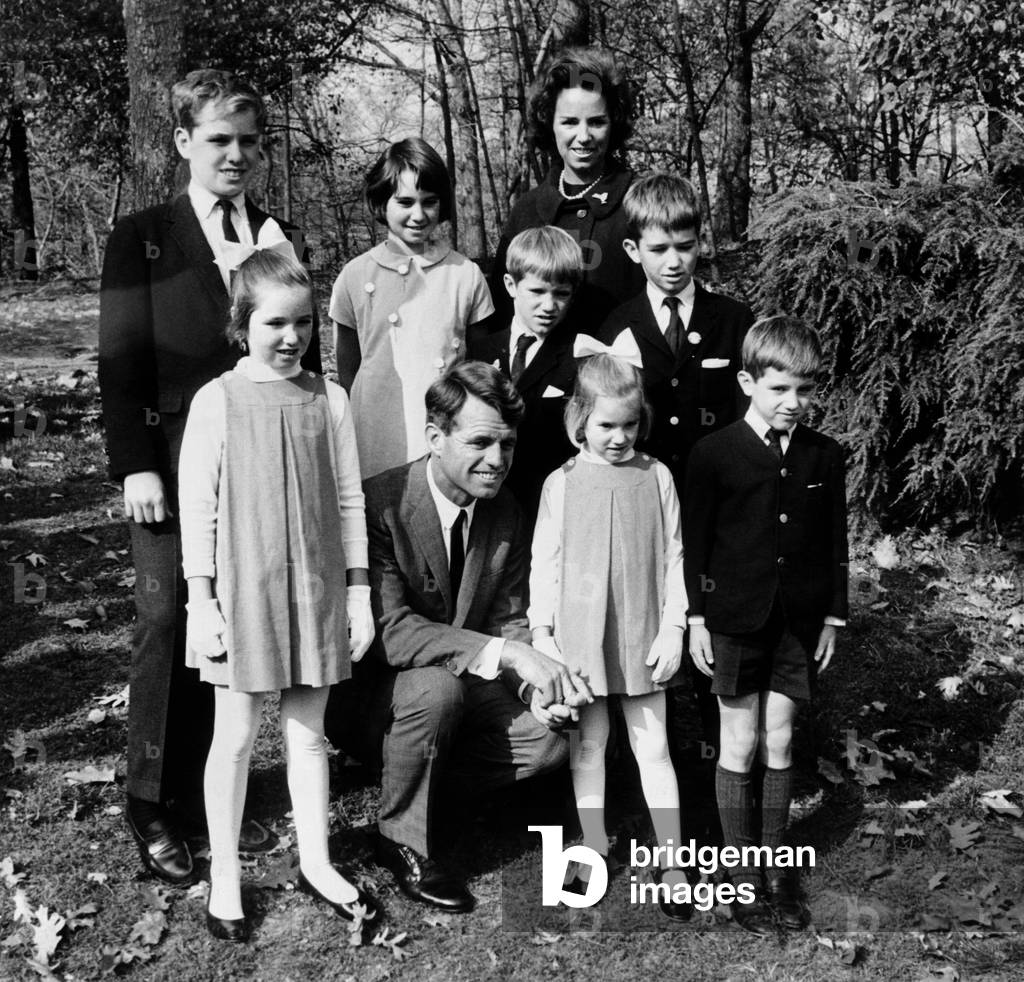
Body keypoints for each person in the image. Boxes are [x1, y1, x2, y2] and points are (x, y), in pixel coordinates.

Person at [98, 68, 318, 884]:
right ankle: (149, 799)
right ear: (184, 141)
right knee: (167, 617)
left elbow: (297, 353)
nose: (235, 155)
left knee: (223, 623)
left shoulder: (278, 235)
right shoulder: (144, 235)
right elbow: (120, 358)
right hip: (170, 460)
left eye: (248, 142)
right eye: (218, 139)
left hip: (257, 464)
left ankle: (204, 794)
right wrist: (135, 465)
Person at [326, 361, 593, 914]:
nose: (496, 460)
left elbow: (508, 617)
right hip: (374, 694)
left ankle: (422, 784)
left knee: (549, 740)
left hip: (461, 681)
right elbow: (391, 631)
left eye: (507, 444)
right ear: (435, 437)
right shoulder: (381, 504)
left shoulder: (505, 510)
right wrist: (511, 654)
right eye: (479, 442)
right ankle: (401, 838)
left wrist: (533, 692)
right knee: (435, 690)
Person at [178, 249, 377, 942]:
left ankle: (317, 861)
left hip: (316, 592)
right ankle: (226, 874)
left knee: (307, 735)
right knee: (234, 738)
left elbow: (349, 503)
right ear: (241, 325)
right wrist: (201, 601)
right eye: (274, 324)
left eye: (303, 323)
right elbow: (198, 509)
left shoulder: (330, 399)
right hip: (243, 593)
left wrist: (358, 594)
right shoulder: (217, 400)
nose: (291, 337)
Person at [684, 316, 849, 935]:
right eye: (779, 389)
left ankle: (777, 868)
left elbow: (835, 542)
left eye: (805, 390)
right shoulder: (714, 453)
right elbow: (695, 545)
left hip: (796, 625)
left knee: (779, 740)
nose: (792, 402)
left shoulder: (824, 454)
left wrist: (832, 615)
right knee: (739, 742)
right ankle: (740, 870)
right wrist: (696, 618)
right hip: (731, 620)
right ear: (748, 382)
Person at [528, 344, 693, 921]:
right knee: (589, 746)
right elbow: (545, 562)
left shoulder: (657, 476)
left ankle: (671, 858)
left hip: (643, 634)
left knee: (654, 749)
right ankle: (593, 845)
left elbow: (676, 557)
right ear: (580, 418)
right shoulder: (561, 483)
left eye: (629, 425)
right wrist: (543, 634)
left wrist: (674, 627)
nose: (619, 437)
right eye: (606, 426)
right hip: (582, 639)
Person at [329, 137, 494, 480]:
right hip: (374, 430)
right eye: (405, 202)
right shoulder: (354, 275)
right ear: (381, 202)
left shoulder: (465, 274)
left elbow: (479, 367)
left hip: (442, 426)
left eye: (429, 202)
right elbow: (349, 369)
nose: (418, 215)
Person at [597, 172, 754, 489]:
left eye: (684, 247)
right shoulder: (617, 325)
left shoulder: (734, 319)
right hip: (641, 486)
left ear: (700, 243)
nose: (673, 262)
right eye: (658, 249)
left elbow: (749, 412)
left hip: (719, 488)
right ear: (633, 249)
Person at [489, 46, 644, 332]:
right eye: (570, 122)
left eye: (596, 122)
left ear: (614, 123)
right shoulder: (526, 210)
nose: (583, 136)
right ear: (550, 123)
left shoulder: (639, 201)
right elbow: (502, 314)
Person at [467, 226, 582, 528]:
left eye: (561, 294)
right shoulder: (480, 351)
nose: (549, 306)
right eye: (537, 291)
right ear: (510, 285)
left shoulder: (579, 357)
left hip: (551, 509)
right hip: (488, 509)